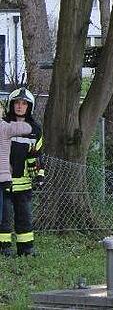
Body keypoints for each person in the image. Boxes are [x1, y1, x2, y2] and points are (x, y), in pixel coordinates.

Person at [1, 88, 44, 257]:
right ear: (11, 105)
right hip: (3, 182)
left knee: (24, 217)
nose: (20, 106)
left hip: (24, 184)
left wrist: (39, 175)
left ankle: (26, 249)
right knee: (4, 218)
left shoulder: (35, 130)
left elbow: (36, 156)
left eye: (24, 103)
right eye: (17, 103)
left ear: (29, 107)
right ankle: (4, 249)